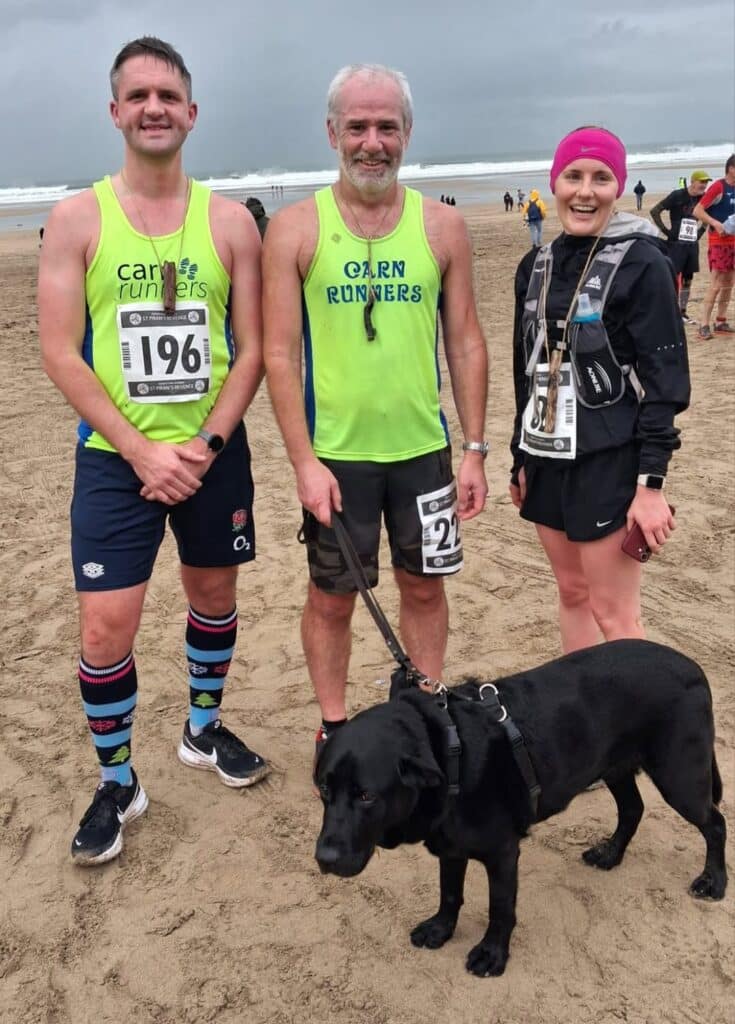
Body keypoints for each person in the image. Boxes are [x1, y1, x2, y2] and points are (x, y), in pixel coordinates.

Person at [37, 37, 268, 867]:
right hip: (115, 458)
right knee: (105, 629)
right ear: (115, 112)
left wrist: (204, 445)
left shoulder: (230, 221)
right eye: (137, 96)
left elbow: (251, 351)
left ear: (191, 112)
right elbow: (60, 350)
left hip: (212, 455)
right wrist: (140, 452)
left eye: (167, 95)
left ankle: (203, 730)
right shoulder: (76, 218)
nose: (153, 108)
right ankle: (117, 779)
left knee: (212, 595)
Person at [263, 63, 488, 765]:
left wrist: (474, 447)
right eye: (356, 126)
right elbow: (277, 353)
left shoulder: (442, 225)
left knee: (424, 589)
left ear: (406, 134)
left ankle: (423, 703)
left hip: (422, 450)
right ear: (331, 132)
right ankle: (332, 723)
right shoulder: (296, 229)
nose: (371, 142)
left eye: (385, 127)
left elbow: (464, 339)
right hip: (336, 456)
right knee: (332, 598)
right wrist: (303, 462)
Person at [509, 126, 690, 653]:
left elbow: (666, 382)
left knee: (614, 612)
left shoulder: (643, 263)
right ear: (555, 183)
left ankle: (630, 733)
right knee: (571, 592)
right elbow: (526, 367)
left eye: (601, 178)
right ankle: (583, 725)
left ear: (619, 187)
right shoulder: (534, 265)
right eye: (573, 176)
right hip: (546, 455)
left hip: (609, 460)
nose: (585, 190)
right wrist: (519, 457)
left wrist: (650, 485)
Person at [649, 170, 711, 324]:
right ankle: (669, 311)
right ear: (693, 181)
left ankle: (683, 312)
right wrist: (666, 231)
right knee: (671, 277)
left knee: (688, 279)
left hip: (691, 245)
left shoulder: (703, 199)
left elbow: (708, 216)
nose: (704, 185)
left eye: (706, 182)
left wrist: (700, 232)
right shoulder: (677, 195)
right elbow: (655, 211)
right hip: (675, 244)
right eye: (701, 182)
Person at [693, 153, 735, 339]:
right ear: (731, 168)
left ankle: (721, 321)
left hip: (734, 241)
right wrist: (715, 223)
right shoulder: (719, 186)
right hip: (719, 242)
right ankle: (703, 324)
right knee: (716, 284)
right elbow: (698, 210)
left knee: (729, 283)